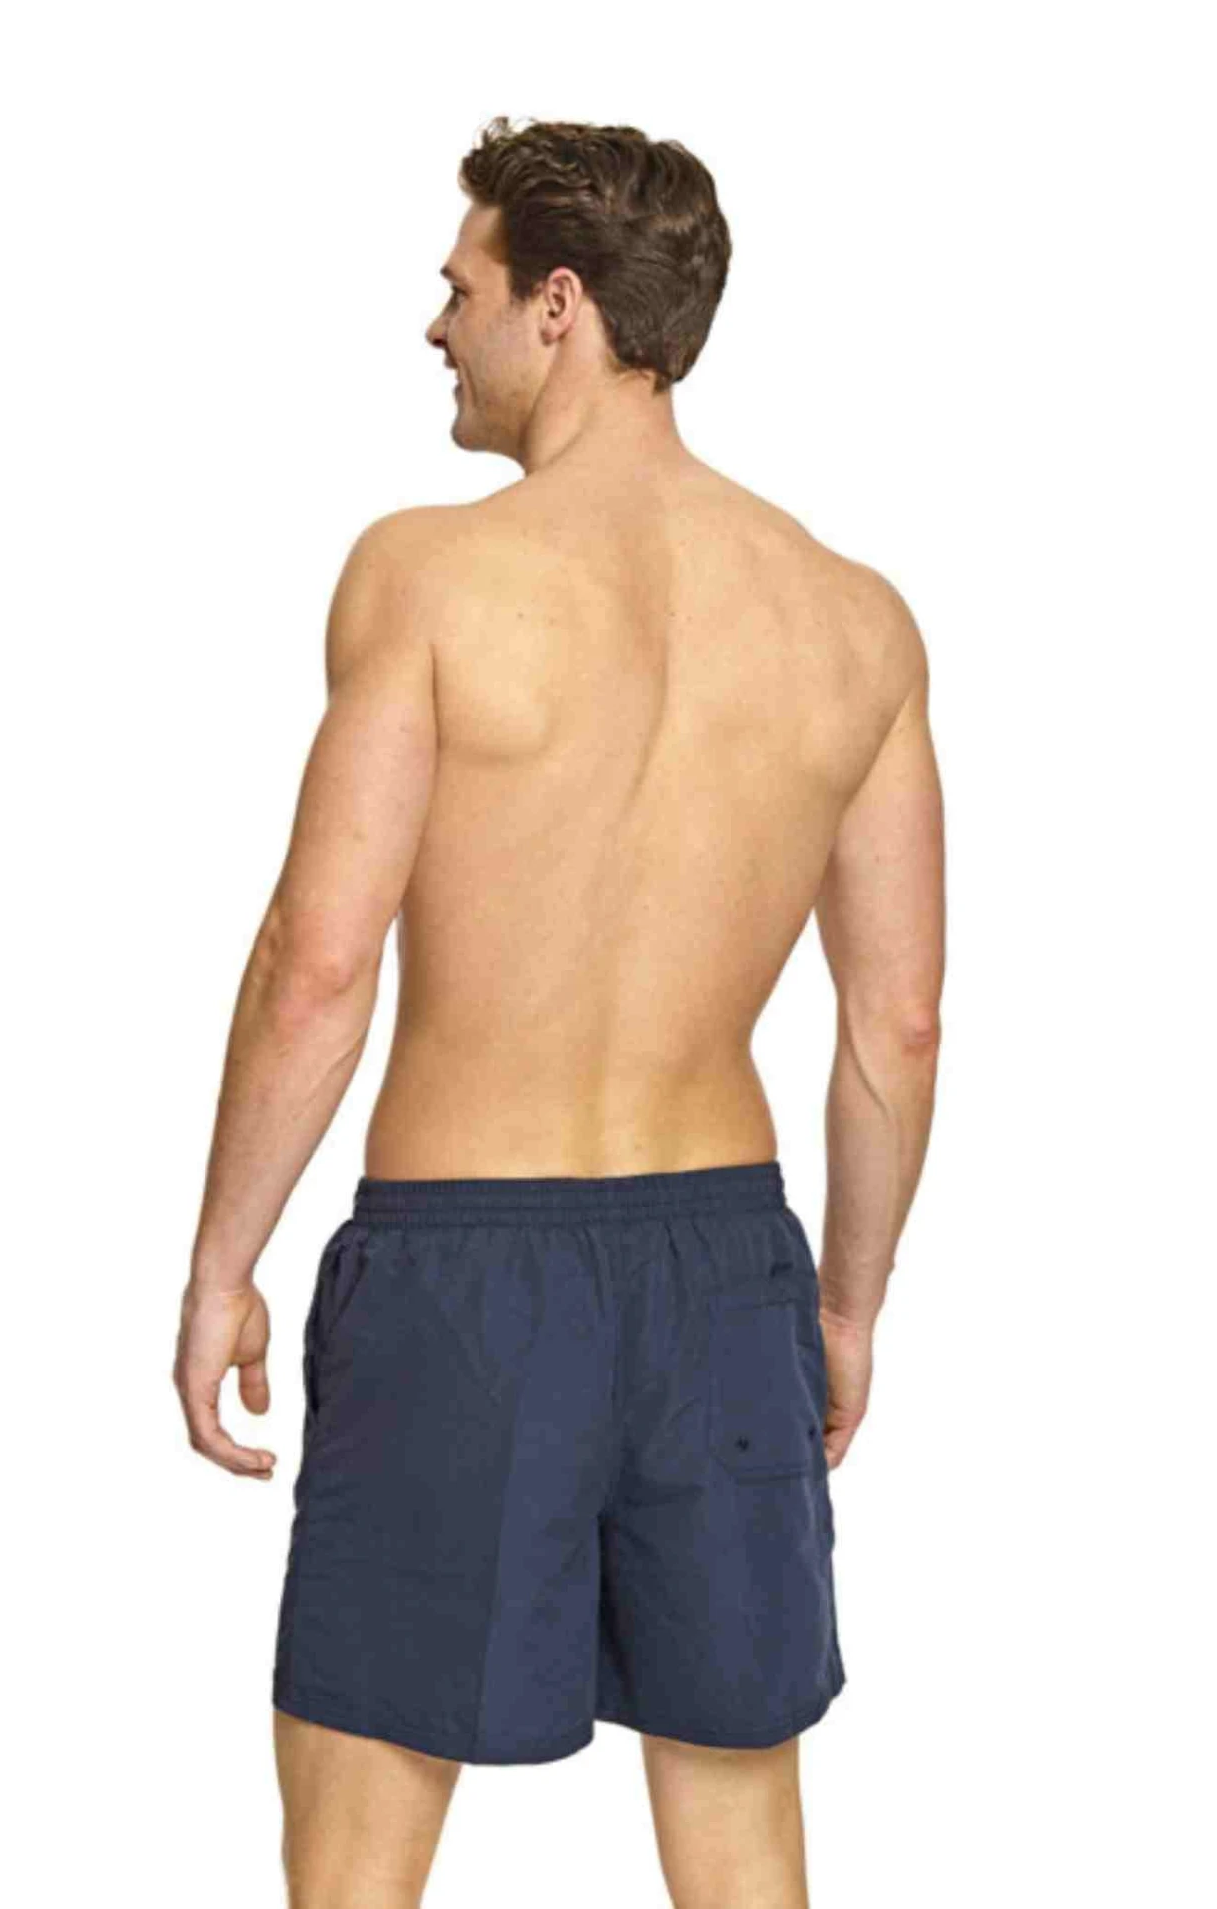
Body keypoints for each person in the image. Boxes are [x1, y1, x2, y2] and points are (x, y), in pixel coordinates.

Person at [174, 114, 944, 1909]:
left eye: (462, 288)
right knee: (743, 1844)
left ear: (561, 304)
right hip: (726, 1273)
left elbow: (316, 958)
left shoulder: (430, 576)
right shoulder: (853, 622)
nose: (435, 325)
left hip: (467, 1269)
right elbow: (895, 1027)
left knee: (359, 1853)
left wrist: (223, 1263)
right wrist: (845, 1305)